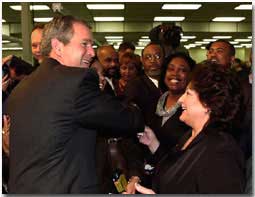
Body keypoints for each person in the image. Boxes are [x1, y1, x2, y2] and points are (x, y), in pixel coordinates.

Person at [4, 15, 144, 194]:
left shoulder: (20, 88)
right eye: (84, 44)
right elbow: (127, 119)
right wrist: (136, 110)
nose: (92, 53)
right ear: (58, 46)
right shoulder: (75, 81)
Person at [125, 62, 245, 194]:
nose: (181, 100)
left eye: (188, 94)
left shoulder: (221, 152)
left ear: (208, 103)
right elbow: (177, 170)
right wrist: (153, 144)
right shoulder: (191, 135)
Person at [206, 39, 252, 160]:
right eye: (210, 51)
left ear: (232, 59)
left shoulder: (241, 86)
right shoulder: (201, 83)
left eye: (219, 51)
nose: (213, 55)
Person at [153, 52, 196, 150]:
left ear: (191, 76)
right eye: (171, 69)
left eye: (183, 70)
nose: (175, 73)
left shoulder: (193, 108)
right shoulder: (154, 100)